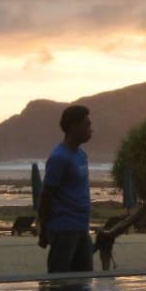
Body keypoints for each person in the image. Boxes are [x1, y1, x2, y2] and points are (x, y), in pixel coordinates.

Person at [38, 105, 93, 273]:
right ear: (72, 127)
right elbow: (47, 195)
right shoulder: (59, 158)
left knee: (84, 282)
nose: (90, 130)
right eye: (86, 125)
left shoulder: (81, 155)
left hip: (82, 227)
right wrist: (42, 230)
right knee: (60, 283)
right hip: (63, 229)